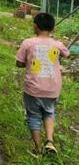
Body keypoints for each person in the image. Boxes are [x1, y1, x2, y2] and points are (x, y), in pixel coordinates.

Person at [15, 12, 70, 156]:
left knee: (33, 116)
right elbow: (67, 54)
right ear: (53, 29)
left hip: (33, 88)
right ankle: (50, 141)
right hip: (52, 88)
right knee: (49, 112)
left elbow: (19, 63)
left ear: (35, 27)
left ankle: (38, 149)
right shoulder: (57, 44)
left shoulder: (28, 43)